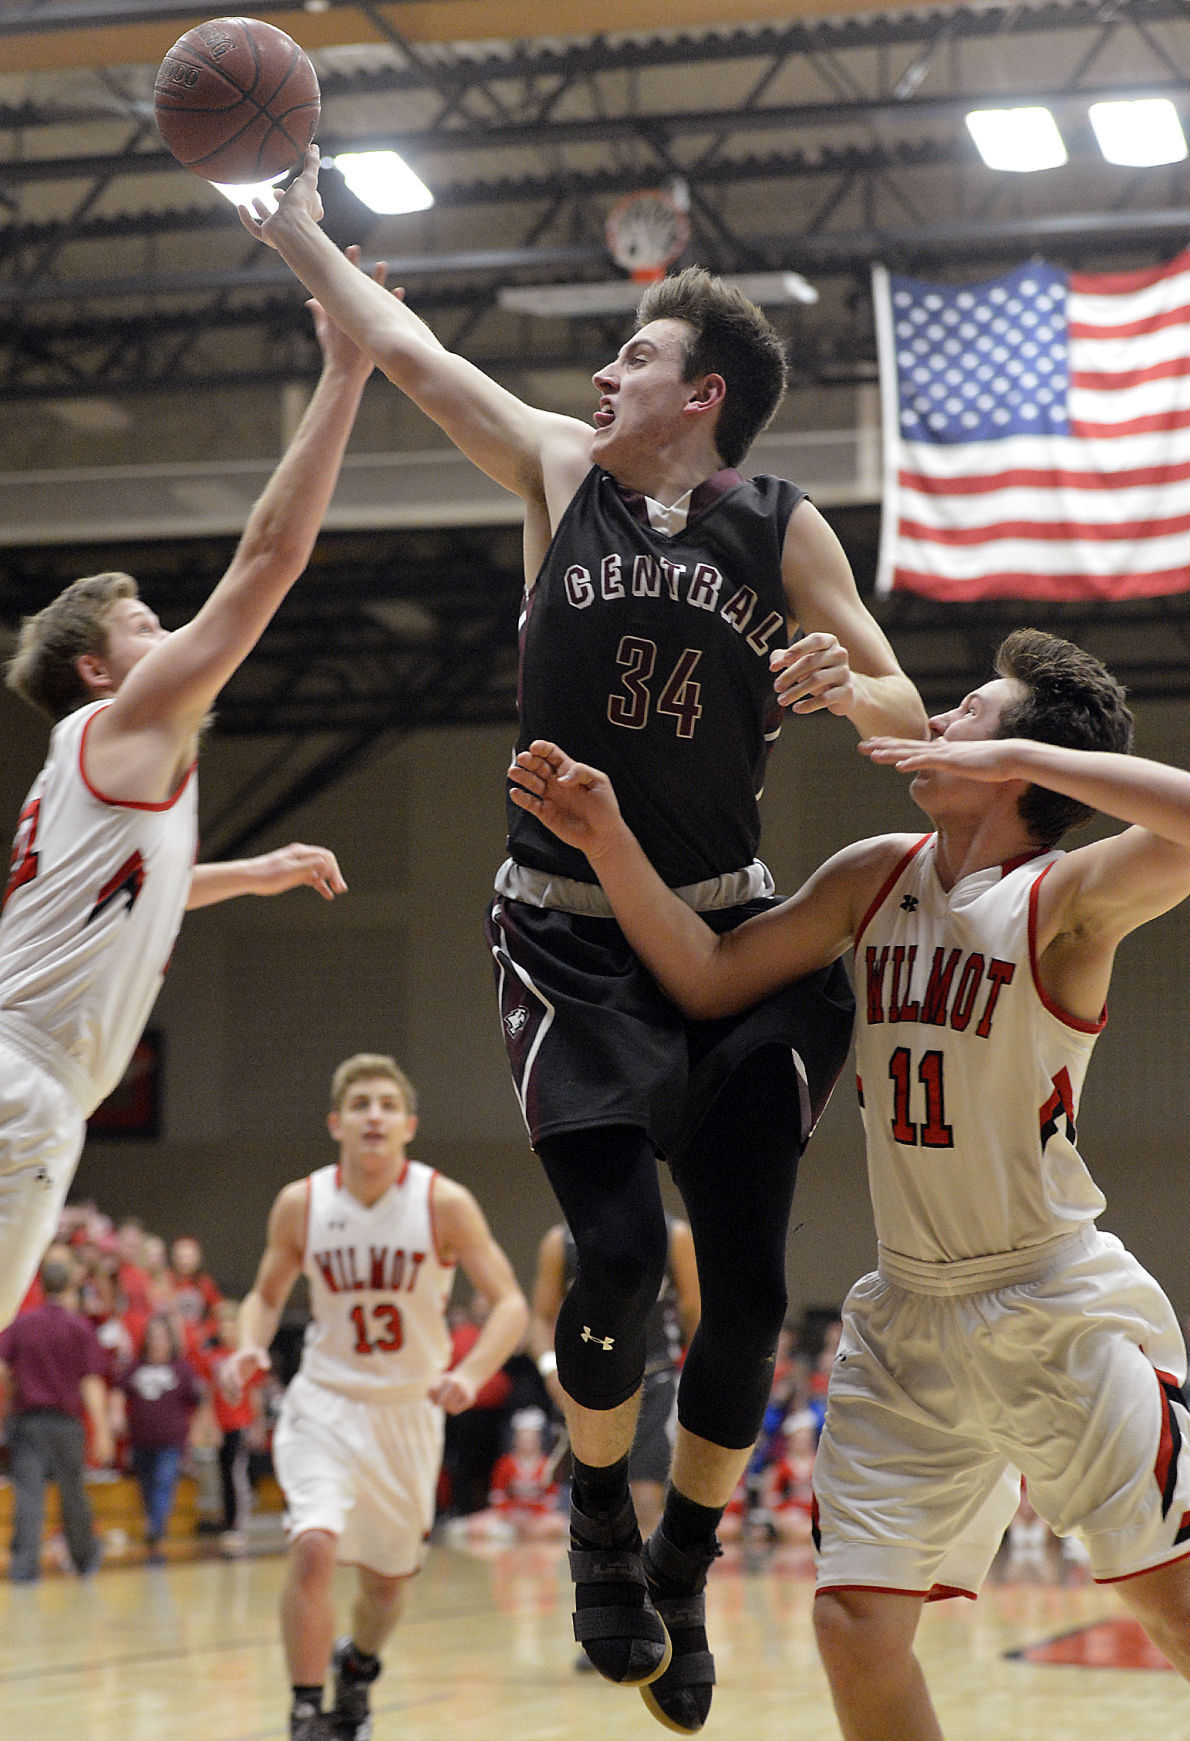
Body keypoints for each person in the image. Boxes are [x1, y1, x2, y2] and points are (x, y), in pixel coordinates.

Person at [240, 149, 926, 1734]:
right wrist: (290, 235)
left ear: (702, 398)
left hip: (732, 934)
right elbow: (413, 355)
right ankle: (601, 1515)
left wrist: (845, 679)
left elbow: (898, 699)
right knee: (617, 1254)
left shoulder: (778, 523)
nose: (602, 373)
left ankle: (683, 1559)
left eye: (636, 359)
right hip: (564, 939)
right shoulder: (562, 471)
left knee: (746, 1288)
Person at [507, 626, 1190, 1738]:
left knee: (1171, 1606)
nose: (934, 722)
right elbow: (708, 971)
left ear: (1010, 764)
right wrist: (609, 839)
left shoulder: (1066, 898)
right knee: (852, 1628)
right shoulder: (875, 875)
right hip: (906, 1315)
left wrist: (1031, 761)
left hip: (1051, 1303)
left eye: (965, 712)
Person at [0, 276, 382, 1332]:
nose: (170, 639)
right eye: (146, 626)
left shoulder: (98, 765)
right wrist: (343, 373)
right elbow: (269, 556)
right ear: (95, 671)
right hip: (23, 1085)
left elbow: (123, 895)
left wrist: (245, 876)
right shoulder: (127, 724)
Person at [223, 1053, 529, 1741]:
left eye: (387, 1105)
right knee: (311, 1544)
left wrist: (470, 1371)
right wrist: (249, 1344)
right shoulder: (302, 1202)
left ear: (409, 1125)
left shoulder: (441, 1202)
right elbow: (266, 1297)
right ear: (337, 1121)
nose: (373, 1115)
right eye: (360, 1103)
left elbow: (509, 1302)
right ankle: (306, 1711)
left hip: (408, 1409)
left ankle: (356, 1670)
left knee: (387, 1584)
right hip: (324, 1401)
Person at [530, 1215, 700, 1539]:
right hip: (585, 1384)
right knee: (594, 1503)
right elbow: (539, 1320)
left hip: (655, 1379)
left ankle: (648, 1583)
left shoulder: (673, 1235)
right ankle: (605, 1583)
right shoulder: (561, 1241)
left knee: (646, 1497)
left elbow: (695, 1315)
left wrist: (700, 1379)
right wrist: (550, 1369)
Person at [0, 1242, 114, 1582]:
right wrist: (104, 1429)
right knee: (72, 1491)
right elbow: (91, 1383)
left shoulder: (22, 1324)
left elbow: (3, 1370)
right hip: (66, 1423)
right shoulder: (80, 1328)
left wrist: (8, 1405)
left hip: (29, 1421)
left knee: (29, 1491)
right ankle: (84, 1557)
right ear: (68, 1286)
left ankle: (25, 1564)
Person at [116, 1312, 203, 1565]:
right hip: (141, 1438)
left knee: (164, 1482)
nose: (158, 1342)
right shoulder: (135, 1367)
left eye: (162, 1337)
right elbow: (120, 1393)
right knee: (146, 1485)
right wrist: (116, 1415)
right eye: (153, 1337)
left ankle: (156, 1530)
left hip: (171, 1439)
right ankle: (153, 1525)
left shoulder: (182, 1369)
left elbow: (198, 1400)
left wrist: (198, 1430)